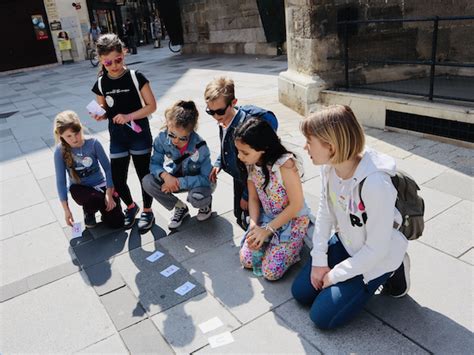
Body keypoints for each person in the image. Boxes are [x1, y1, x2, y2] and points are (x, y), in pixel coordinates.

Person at [291, 105, 410, 329]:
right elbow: (324, 212)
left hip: (376, 256)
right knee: (301, 293)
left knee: (322, 317)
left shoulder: (375, 183)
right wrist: (318, 260)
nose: (305, 147)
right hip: (347, 242)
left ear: (331, 146)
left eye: (309, 141)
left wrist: (335, 275)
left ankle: (395, 268)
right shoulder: (329, 167)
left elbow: (376, 249)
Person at [91, 34, 157, 233]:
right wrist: (99, 116)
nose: (113, 66)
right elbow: (104, 111)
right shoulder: (101, 83)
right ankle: (130, 206)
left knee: (144, 176)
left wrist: (129, 116)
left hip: (139, 135)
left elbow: (151, 106)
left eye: (117, 60)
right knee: (118, 178)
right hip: (117, 138)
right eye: (108, 62)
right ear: (101, 61)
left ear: (124, 54)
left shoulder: (137, 77)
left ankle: (147, 210)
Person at [234, 118, 312, 280]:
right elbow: (254, 199)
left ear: (263, 148)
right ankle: (271, 245)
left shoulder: (285, 164)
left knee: (270, 272)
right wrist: (254, 225)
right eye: (238, 151)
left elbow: (296, 204)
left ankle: (294, 248)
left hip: (292, 220)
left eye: (245, 152)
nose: (240, 156)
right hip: (267, 218)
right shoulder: (251, 162)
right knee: (247, 260)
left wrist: (267, 230)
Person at [204, 76, 277, 231]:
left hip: (250, 180)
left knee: (250, 211)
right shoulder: (224, 120)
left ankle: (263, 237)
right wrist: (219, 163)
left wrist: (246, 195)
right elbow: (226, 146)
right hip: (238, 175)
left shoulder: (243, 129)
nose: (216, 116)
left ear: (233, 103)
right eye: (210, 111)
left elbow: (255, 168)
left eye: (219, 111)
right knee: (239, 213)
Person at [142, 100, 213, 229]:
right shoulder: (161, 139)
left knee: (196, 198)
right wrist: (166, 177)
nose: (176, 141)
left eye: (183, 138)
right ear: (167, 125)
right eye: (172, 134)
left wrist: (179, 182)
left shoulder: (200, 146)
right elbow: (154, 164)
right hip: (174, 174)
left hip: (197, 181)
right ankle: (180, 207)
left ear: (191, 132)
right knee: (147, 181)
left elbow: (206, 179)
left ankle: (205, 204)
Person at [53, 110, 124, 229]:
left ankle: (106, 209)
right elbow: (61, 182)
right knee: (93, 198)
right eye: (68, 136)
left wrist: (109, 194)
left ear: (81, 128)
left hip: (100, 186)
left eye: (76, 133)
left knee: (117, 223)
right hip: (81, 190)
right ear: (61, 136)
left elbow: (108, 169)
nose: (75, 139)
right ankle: (89, 211)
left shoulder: (93, 144)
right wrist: (66, 210)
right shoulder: (59, 151)